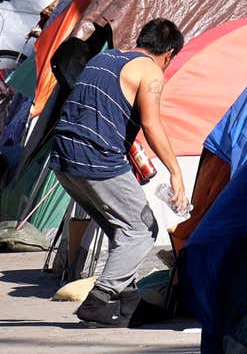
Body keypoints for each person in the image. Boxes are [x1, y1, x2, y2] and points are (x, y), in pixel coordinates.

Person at [50, 17, 188, 327]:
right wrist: (176, 172)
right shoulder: (151, 71)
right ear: (168, 54)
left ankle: (129, 302)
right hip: (95, 156)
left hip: (62, 157)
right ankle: (99, 301)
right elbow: (152, 124)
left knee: (120, 228)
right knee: (142, 228)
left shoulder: (106, 57)